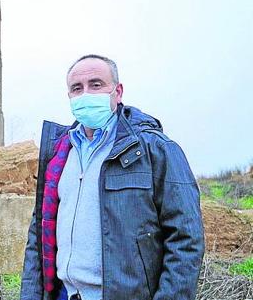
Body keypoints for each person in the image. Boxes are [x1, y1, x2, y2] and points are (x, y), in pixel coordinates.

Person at [20, 54, 204, 300]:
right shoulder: (59, 154)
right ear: (69, 97)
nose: (86, 94)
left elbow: (186, 239)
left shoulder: (155, 149)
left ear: (117, 92)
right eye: (77, 88)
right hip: (66, 295)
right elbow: (38, 236)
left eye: (96, 85)